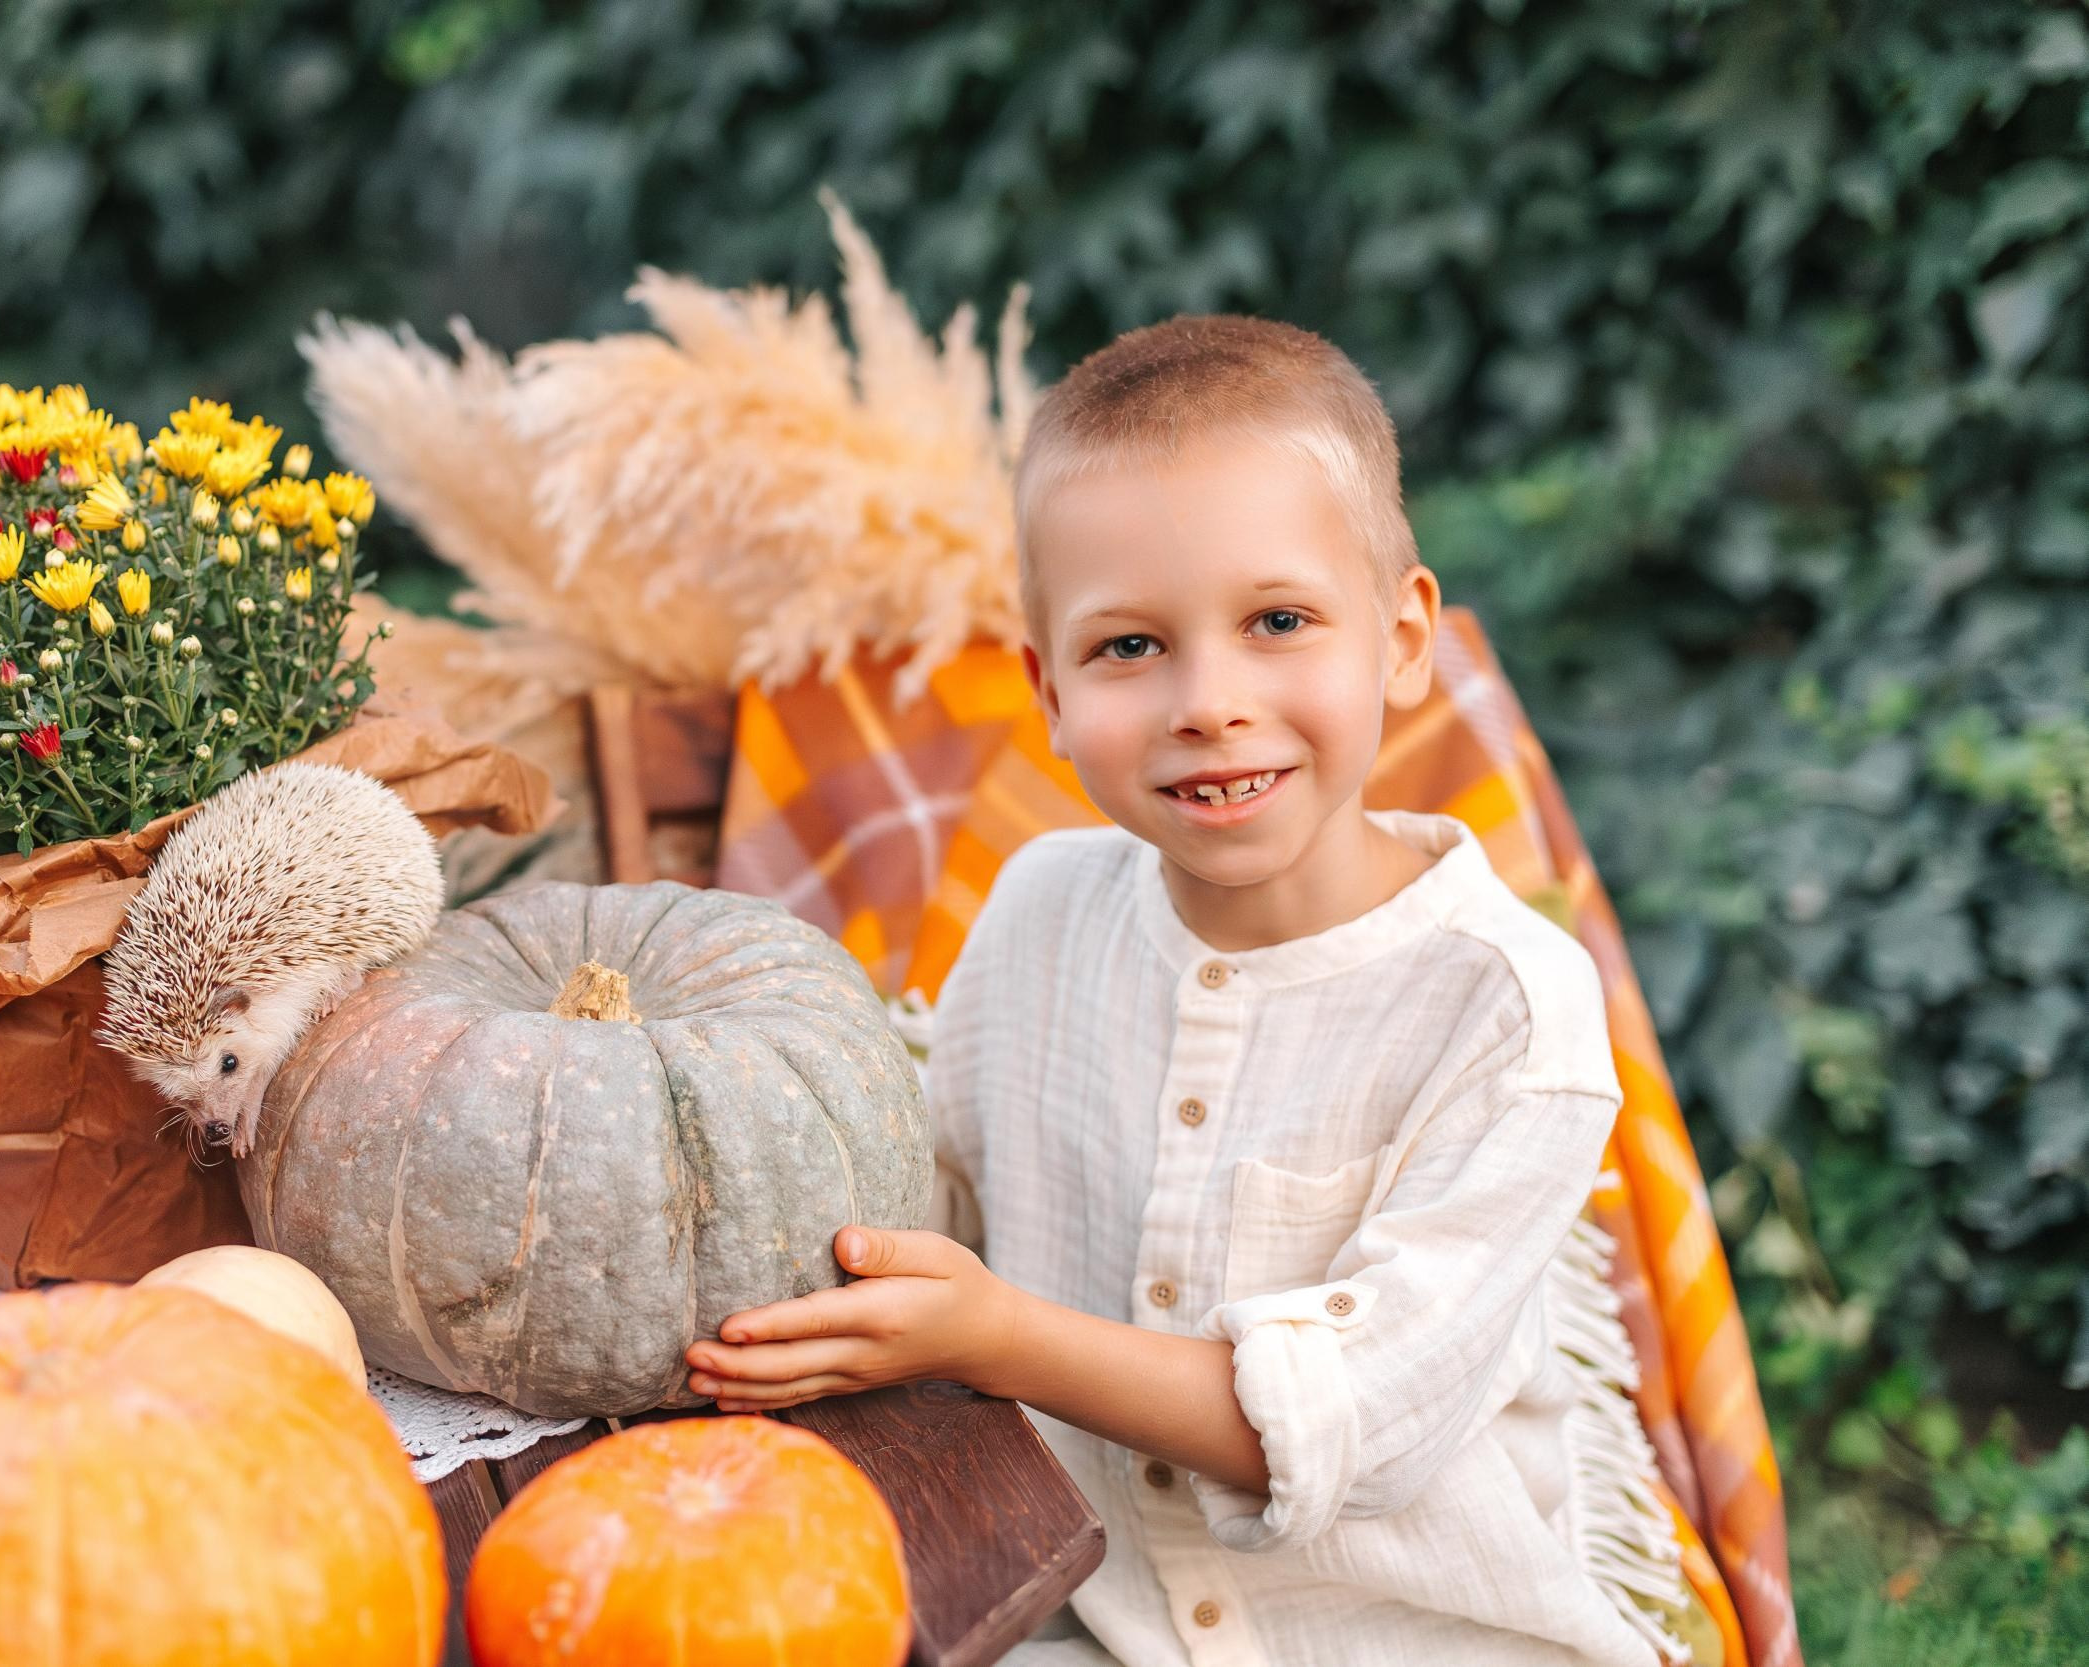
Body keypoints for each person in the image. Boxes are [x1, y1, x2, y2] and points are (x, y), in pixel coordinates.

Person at [683, 315, 1677, 1666]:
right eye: (1129, 648)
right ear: (1047, 686)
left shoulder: (1504, 1010)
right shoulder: (1040, 912)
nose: (1209, 701)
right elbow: (928, 1193)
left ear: (1401, 640)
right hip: (1083, 1610)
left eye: (1279, 621)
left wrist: (998, 1337)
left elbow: (1354, 1420)